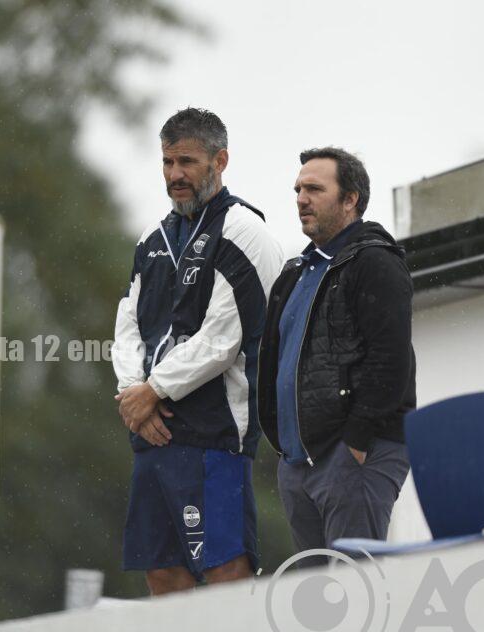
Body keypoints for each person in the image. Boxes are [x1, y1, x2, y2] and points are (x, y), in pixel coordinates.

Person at [112, 108, 283, 595]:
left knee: (226, 569)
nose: (175, 175)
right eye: (167, 162)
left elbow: (222, 339)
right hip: (152, 433)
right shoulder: (151, 239)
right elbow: (127, 325)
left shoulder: (245, 231)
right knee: (162, 570)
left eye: (186, 161)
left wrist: (153, 391)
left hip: (214, 436)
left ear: (220, 161)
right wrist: (133, 396)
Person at [257, 147, 416, 558]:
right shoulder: (293, 274)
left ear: (350, 200)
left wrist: (356, 443)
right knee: (315, 592)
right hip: (298, 463)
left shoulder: (375, 261)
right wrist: (284, 450)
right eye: (297, 190)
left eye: (314, 189)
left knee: (356, 584)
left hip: (356, 453)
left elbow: (390, 359)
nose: (301, 199)